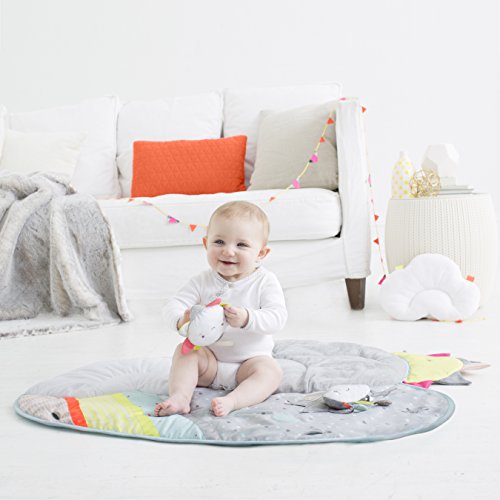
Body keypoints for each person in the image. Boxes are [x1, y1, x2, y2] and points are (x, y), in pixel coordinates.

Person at [154, 200, 287, 417]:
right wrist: (181, 320)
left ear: (261, 254)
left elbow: (277, 317)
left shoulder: (265, 281)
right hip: (209, 362)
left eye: (241, 245)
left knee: (271, 372)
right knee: (184, 352)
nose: (228, 251)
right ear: (206, 244)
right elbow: (173, 305)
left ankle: (234, 400)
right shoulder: (202, 281)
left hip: (249, 362)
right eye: (219, 242)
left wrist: (247, 318)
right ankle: (180, 397)